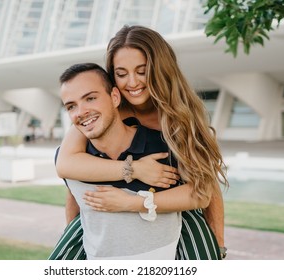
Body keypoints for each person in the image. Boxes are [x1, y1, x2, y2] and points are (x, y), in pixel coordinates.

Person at [49, 25, 228, 260]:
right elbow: (68, 169)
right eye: (121, 74)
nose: (132, 83)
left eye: (142, 71)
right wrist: (135, 169)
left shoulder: (182, 119)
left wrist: (219, 243)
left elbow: (206, 187)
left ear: (160, 69)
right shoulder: (104, 112)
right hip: (103, 218)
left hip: (175, 215)